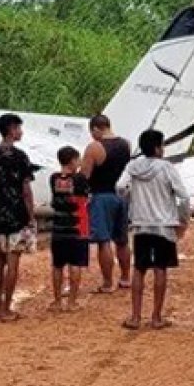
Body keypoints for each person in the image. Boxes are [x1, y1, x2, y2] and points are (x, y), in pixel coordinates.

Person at [116, 129, 190, 330]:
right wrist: (182, 219)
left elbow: (121, 187)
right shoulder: (167, 168)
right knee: (160, 268)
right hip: (164, 225)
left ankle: (135, 317)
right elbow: (183, 197)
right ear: (158, 148)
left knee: (139, 269)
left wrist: (133, 200)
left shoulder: (133, 166)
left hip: (141, 224)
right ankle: (156, 317)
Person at [0, 113, 36, 322]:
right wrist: (30, 215)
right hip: (16, 215)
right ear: (12, 129)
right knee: (13, 261)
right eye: (19, 128)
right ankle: (6, 307)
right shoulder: (20, 157)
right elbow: (26, 190)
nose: (20, 132)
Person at [81, 115, 132, 293]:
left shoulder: (95, 148)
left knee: (103, 242)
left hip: (101, 195)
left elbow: (84, 176)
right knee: (122, 240)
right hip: (121, 196)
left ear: (96, 129)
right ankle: (126, 277)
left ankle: (108, 282)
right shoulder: (126, 144)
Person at [49, 146, 90, 312]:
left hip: (58, 227)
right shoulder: (80, 179)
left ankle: (57, 301)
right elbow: (84, 199)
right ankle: (72, 302)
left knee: (57, 264)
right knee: (75, 263)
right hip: (76, 226)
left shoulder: (53, 178)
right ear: (73, 160)